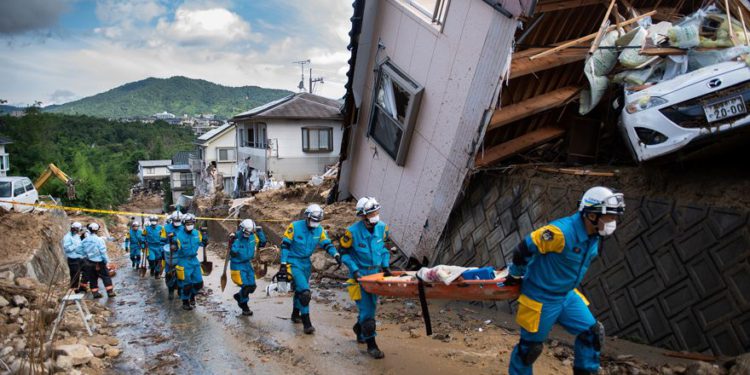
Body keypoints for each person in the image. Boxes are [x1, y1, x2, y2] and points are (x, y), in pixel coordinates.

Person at [506, 186, 625, 375]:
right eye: (610, 216)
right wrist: (515, 274)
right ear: (592, 215)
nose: (613, 221)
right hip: (540, 297)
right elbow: (524, 248)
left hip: (566, 296)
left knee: (592, 334)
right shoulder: (560, 233)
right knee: (529, 350)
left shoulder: (594, 235)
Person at [340, 197, 391, 359]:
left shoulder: (383, 228)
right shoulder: (352, 232)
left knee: (371, 307)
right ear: (363, 216)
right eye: (372, 213)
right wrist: (354, 270)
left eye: (377, 211)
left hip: (376, 275)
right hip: (359, 277)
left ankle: (358, 328)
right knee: (368, 312)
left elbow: (384, 249)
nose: (376, 215)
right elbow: (344, 254)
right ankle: (372, 346)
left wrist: (386, 265)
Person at [277, 204, 340, 334]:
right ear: (307, 217)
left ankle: (295, 315)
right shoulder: (294, 227)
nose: (315, 223)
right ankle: (307, 323)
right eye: (313, 220)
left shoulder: (319, 230)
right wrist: (283, 263)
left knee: (299, 291)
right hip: (293, 262)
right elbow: (285, 245)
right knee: (305, 292)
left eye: (318, 221)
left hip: (306, 263)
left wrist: (336, 254)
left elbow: (327, 244)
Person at [229, 219, 267, 316]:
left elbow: (262, 243)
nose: (248, 234)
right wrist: (234, 241)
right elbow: (233, 254)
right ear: (242, 229)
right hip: (237, 264)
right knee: (246, 287)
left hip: (247, 264)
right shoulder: (236, 237)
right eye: (246, 232)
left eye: (250, 232)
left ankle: (239, 296)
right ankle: (244, 306)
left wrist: (260, 232)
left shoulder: (252, 237)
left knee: (252, 287)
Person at [173, 213, 205, 310]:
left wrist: (205, 241)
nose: (190, 225)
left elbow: (201, 243)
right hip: (183, 261)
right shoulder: (179, 235)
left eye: (191, 223)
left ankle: (192, 295)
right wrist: (173, 245)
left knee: (199, 283)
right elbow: (175, 247)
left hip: (194, 260)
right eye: (187, 223)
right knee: (186, 284)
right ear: (183, 224)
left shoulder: (196, 233)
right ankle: (185, 301)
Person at [81, 223, 116, 298]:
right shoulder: (99, 240)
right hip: (100, 262)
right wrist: (107, 262)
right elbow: (103, 252)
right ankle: (110, 292)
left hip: (89, 262)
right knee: (106, 276)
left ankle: (95, 293)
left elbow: (82, 252)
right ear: (97, 230)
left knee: (92, 278)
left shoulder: (84, 241)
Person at [161, 211, 183, 299]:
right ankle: (170, 290)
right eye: (175, 220)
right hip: (168, 254)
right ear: (172, 219)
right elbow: (161, 241)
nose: (177, 221)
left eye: (179, 220)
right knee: (169, 272)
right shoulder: (165, 228)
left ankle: (180, 290)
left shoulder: (184, 228)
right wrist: (162, 253)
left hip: (180, 254)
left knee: (180, 273)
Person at [62, 222, 86, 293]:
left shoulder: (76, 236)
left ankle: (82, 286)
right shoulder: (67, 237)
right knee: (75, 275)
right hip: (73, 259)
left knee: (87, 270)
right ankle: (74, 290)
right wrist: (75, 245)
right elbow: (67, 249)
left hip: (80, 257)